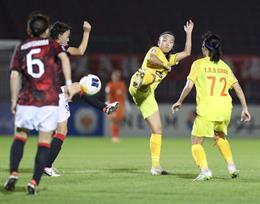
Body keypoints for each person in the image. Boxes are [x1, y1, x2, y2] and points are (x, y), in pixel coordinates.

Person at [4, 12, 73, 195]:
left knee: (20, 137)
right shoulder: (52, 45)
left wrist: (13, 100)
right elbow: (65, 59)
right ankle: (34, 181)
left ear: (29, 30)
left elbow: (13, 74)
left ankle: (13, 173)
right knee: (44, 142)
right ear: (46, 31)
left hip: (27, 99)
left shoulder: (22, 47)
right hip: (49, 100)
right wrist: (67, 84)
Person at [171, 32, 251, 181]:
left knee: (196, 142)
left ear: (205, 49)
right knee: (220, 136)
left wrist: (179, 101)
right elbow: (238, 88)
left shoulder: (199, 63)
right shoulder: (224, 66)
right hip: (225, 109)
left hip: (208, 109)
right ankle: (232, 167)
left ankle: (205, 170)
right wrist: (245, 109)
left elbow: (189, 86)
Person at [44, 21, 119, 176]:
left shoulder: (46, 47)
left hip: (49, 91)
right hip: (53, 92)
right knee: (61, 129)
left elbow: (79, 50)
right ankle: (45, 165)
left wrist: (86, 32)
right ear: (59, 36)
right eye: (67, 36)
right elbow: (79, 51)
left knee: (61, 129)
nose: (68, 38)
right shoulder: (58, 47)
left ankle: (46, 165)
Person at [129, 20, 194, 175]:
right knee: (149, 74)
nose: (167, 43)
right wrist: (164, 65)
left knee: (157, 130)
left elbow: (187, 53)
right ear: (158, 42)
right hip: (137, 86)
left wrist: (189, 33)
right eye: (164, 40)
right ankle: (141, 81)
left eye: (171, 42)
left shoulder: (170, 58)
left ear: (172, 46)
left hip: (147, 96)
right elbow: (151, 59)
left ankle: (155, 166)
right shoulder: (155, 51)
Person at [105, 70, 127, 143]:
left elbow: (124, 94)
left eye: (116, 76)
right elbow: (108, 95)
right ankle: (114, 136)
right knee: (114, 120)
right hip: (112, 105)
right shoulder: (109, 85)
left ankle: (116, 136)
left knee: (117, 121)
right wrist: (107, 104)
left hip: (121, 105)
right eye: (113, 76)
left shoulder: (122, 84)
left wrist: (127, 103)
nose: (114, 77)